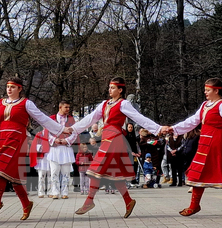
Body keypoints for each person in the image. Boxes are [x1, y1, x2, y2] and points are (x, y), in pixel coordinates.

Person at [63, 77, 163, 218]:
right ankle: (128, 201)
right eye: (109, 87)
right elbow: (90, 118)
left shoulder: (124, 104)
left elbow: (139, 118)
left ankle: (89, 201)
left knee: (95, 169)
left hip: (115, 139)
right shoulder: (105, 104)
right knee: (113, 174)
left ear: (120, 90)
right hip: (106, 138)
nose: (110, 90)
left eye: (113, 87)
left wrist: (158, 129)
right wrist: (73, 129)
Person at [0, 79, 64, 219]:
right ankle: (26, 203)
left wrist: (60, 129)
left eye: (12, 87)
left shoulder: (26, 103)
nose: (9, 89)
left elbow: (42, 118)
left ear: (20, 89)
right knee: (13, 176)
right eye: (7, 87)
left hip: (17, 140)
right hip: (2, 140)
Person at [163, 78, 222, 217]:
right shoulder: (206, 105)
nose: (205, 92)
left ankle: (196, 205)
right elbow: (193, 121)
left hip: (217, 142)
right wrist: (174, 129)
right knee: (210, 172)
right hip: (206, 142)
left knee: (206, 171)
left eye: (208, 90)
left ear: (217, 90)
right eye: (205, 89)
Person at [46, 101, 76, 199]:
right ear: (60, 107)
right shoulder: (52, 119)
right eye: (66, 107)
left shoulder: (71, 119)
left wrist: (66, 140)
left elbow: (75, 133)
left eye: (68, 107)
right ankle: (55, 191)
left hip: (66, 148)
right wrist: (55, 139)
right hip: (54, 148)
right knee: (54, 171)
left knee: (66, 172)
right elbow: (47, 132)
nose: (68, 109)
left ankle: (65, 192)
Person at [30, 125, 51, 198]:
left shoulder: (52, 135)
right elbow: (33, 145)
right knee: (41, 175)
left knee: (50, 175)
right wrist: (40, 147)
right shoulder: (39, 134)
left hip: (51, 156)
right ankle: (40, 191)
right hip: (42, 157)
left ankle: (50, 191)